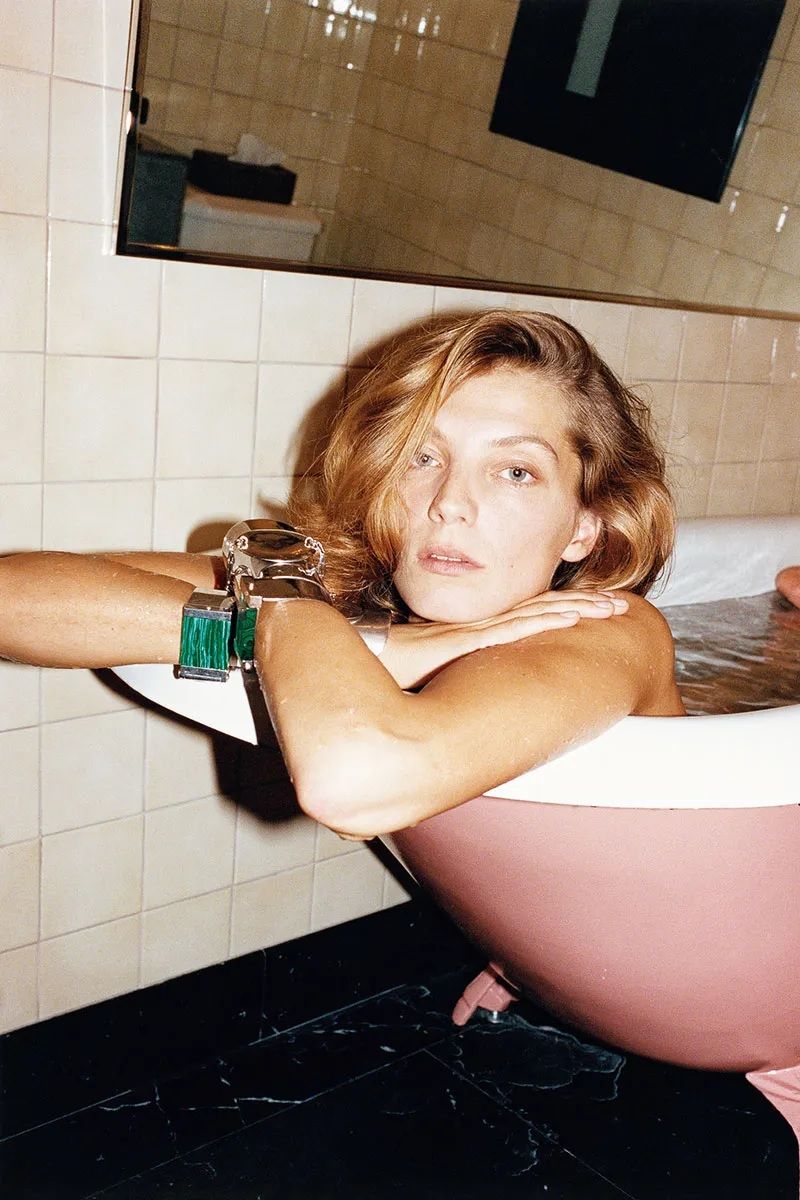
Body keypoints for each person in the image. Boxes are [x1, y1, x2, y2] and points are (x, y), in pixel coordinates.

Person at [0, 310, 684, 839]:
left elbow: (355, 785)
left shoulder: (611, 629)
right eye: (422, 458)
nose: (449, 502)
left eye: (515, 471)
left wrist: (289, 608)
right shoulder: (363, 583)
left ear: (586, 525)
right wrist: (362, 642)